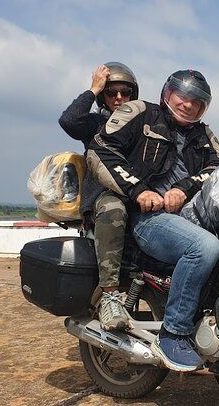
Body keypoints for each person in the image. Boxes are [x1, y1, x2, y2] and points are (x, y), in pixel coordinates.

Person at [87, 69, 219, 372]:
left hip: (186, 217)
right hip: (146, 218)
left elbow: (217, 171)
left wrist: (184, 188)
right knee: (204, 247)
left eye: (197, 101)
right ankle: (174, 333)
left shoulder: (205, 136)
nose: (189, 104)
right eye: (183, 96)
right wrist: (139, 190)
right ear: (167, 93)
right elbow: (101, 151)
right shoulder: (139, 113)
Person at [59, 62, 139, 331]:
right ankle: (109, 295)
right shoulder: (96, 123)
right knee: (114, 209)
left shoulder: (141, 125)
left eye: (125, 93)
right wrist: (93, 89)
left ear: (133, 95)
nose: (118, 98)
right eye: (111, 92)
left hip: (136, 196)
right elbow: (69, 120)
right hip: (104, 199)